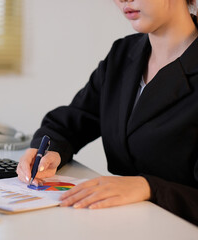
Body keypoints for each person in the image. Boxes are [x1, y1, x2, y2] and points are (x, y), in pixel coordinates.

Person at [16, 0, 198, 226]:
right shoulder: (123, 54)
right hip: (121, 223)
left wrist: (149, 188)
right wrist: (47, 151)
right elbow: (74, 120)